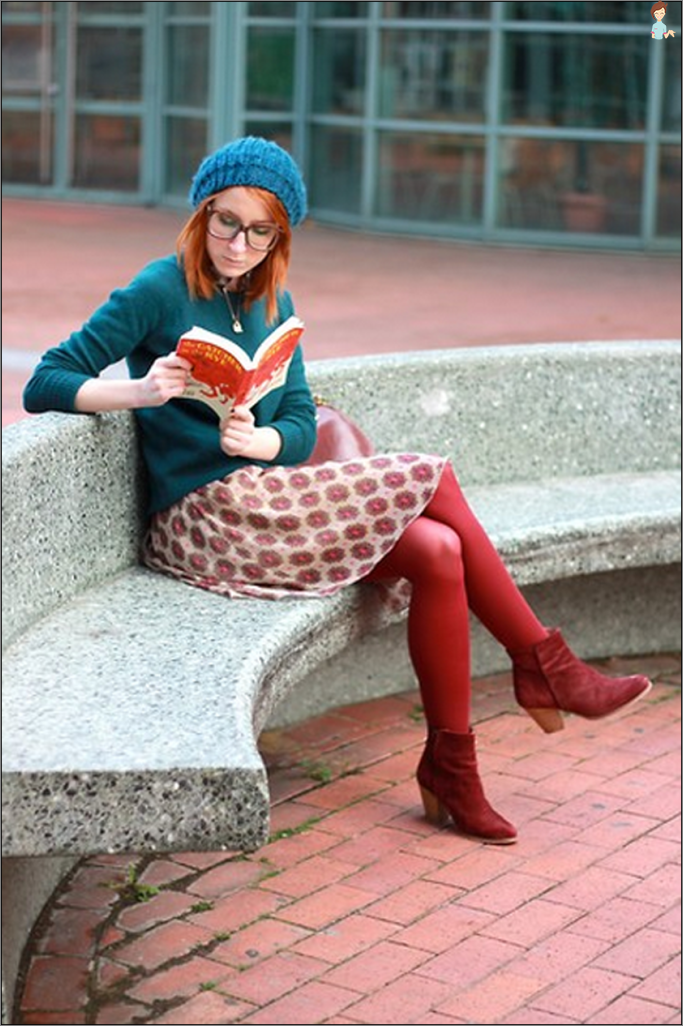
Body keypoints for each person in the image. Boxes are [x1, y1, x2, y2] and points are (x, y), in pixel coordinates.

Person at [23, 136, 652, 846]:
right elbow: (44, 380)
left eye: (261, 232)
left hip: (264, 497)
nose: (239, 244)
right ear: (201, 215)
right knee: (432, 475)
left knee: (439, 551)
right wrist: (139, 391)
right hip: (201, 521)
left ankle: (453, 763)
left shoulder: (273, 300)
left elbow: (296, 418)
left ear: (279, 238)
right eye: (226, 222)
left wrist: (263, 441)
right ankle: (544, 666)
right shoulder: (159, 288)